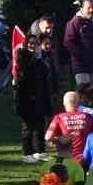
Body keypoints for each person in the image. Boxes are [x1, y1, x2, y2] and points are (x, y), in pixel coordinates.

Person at [17, 33, 58, 162]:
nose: (32, 46)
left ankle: (39, 150)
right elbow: (22, 76)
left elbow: (45, 74)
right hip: (27, 97)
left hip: (40, 96)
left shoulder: (40, 58)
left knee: (39, 125)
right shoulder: (22, 57)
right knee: (28, 126)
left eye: (35, 44)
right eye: (30, 43)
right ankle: (27, 152)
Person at [65, 0, 93, 86]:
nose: (91, 10)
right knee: (84, 92)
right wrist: (82, 56)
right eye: (89, 8)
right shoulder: (75, 22)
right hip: (82, 68)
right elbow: (68, 42)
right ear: (82, 9)